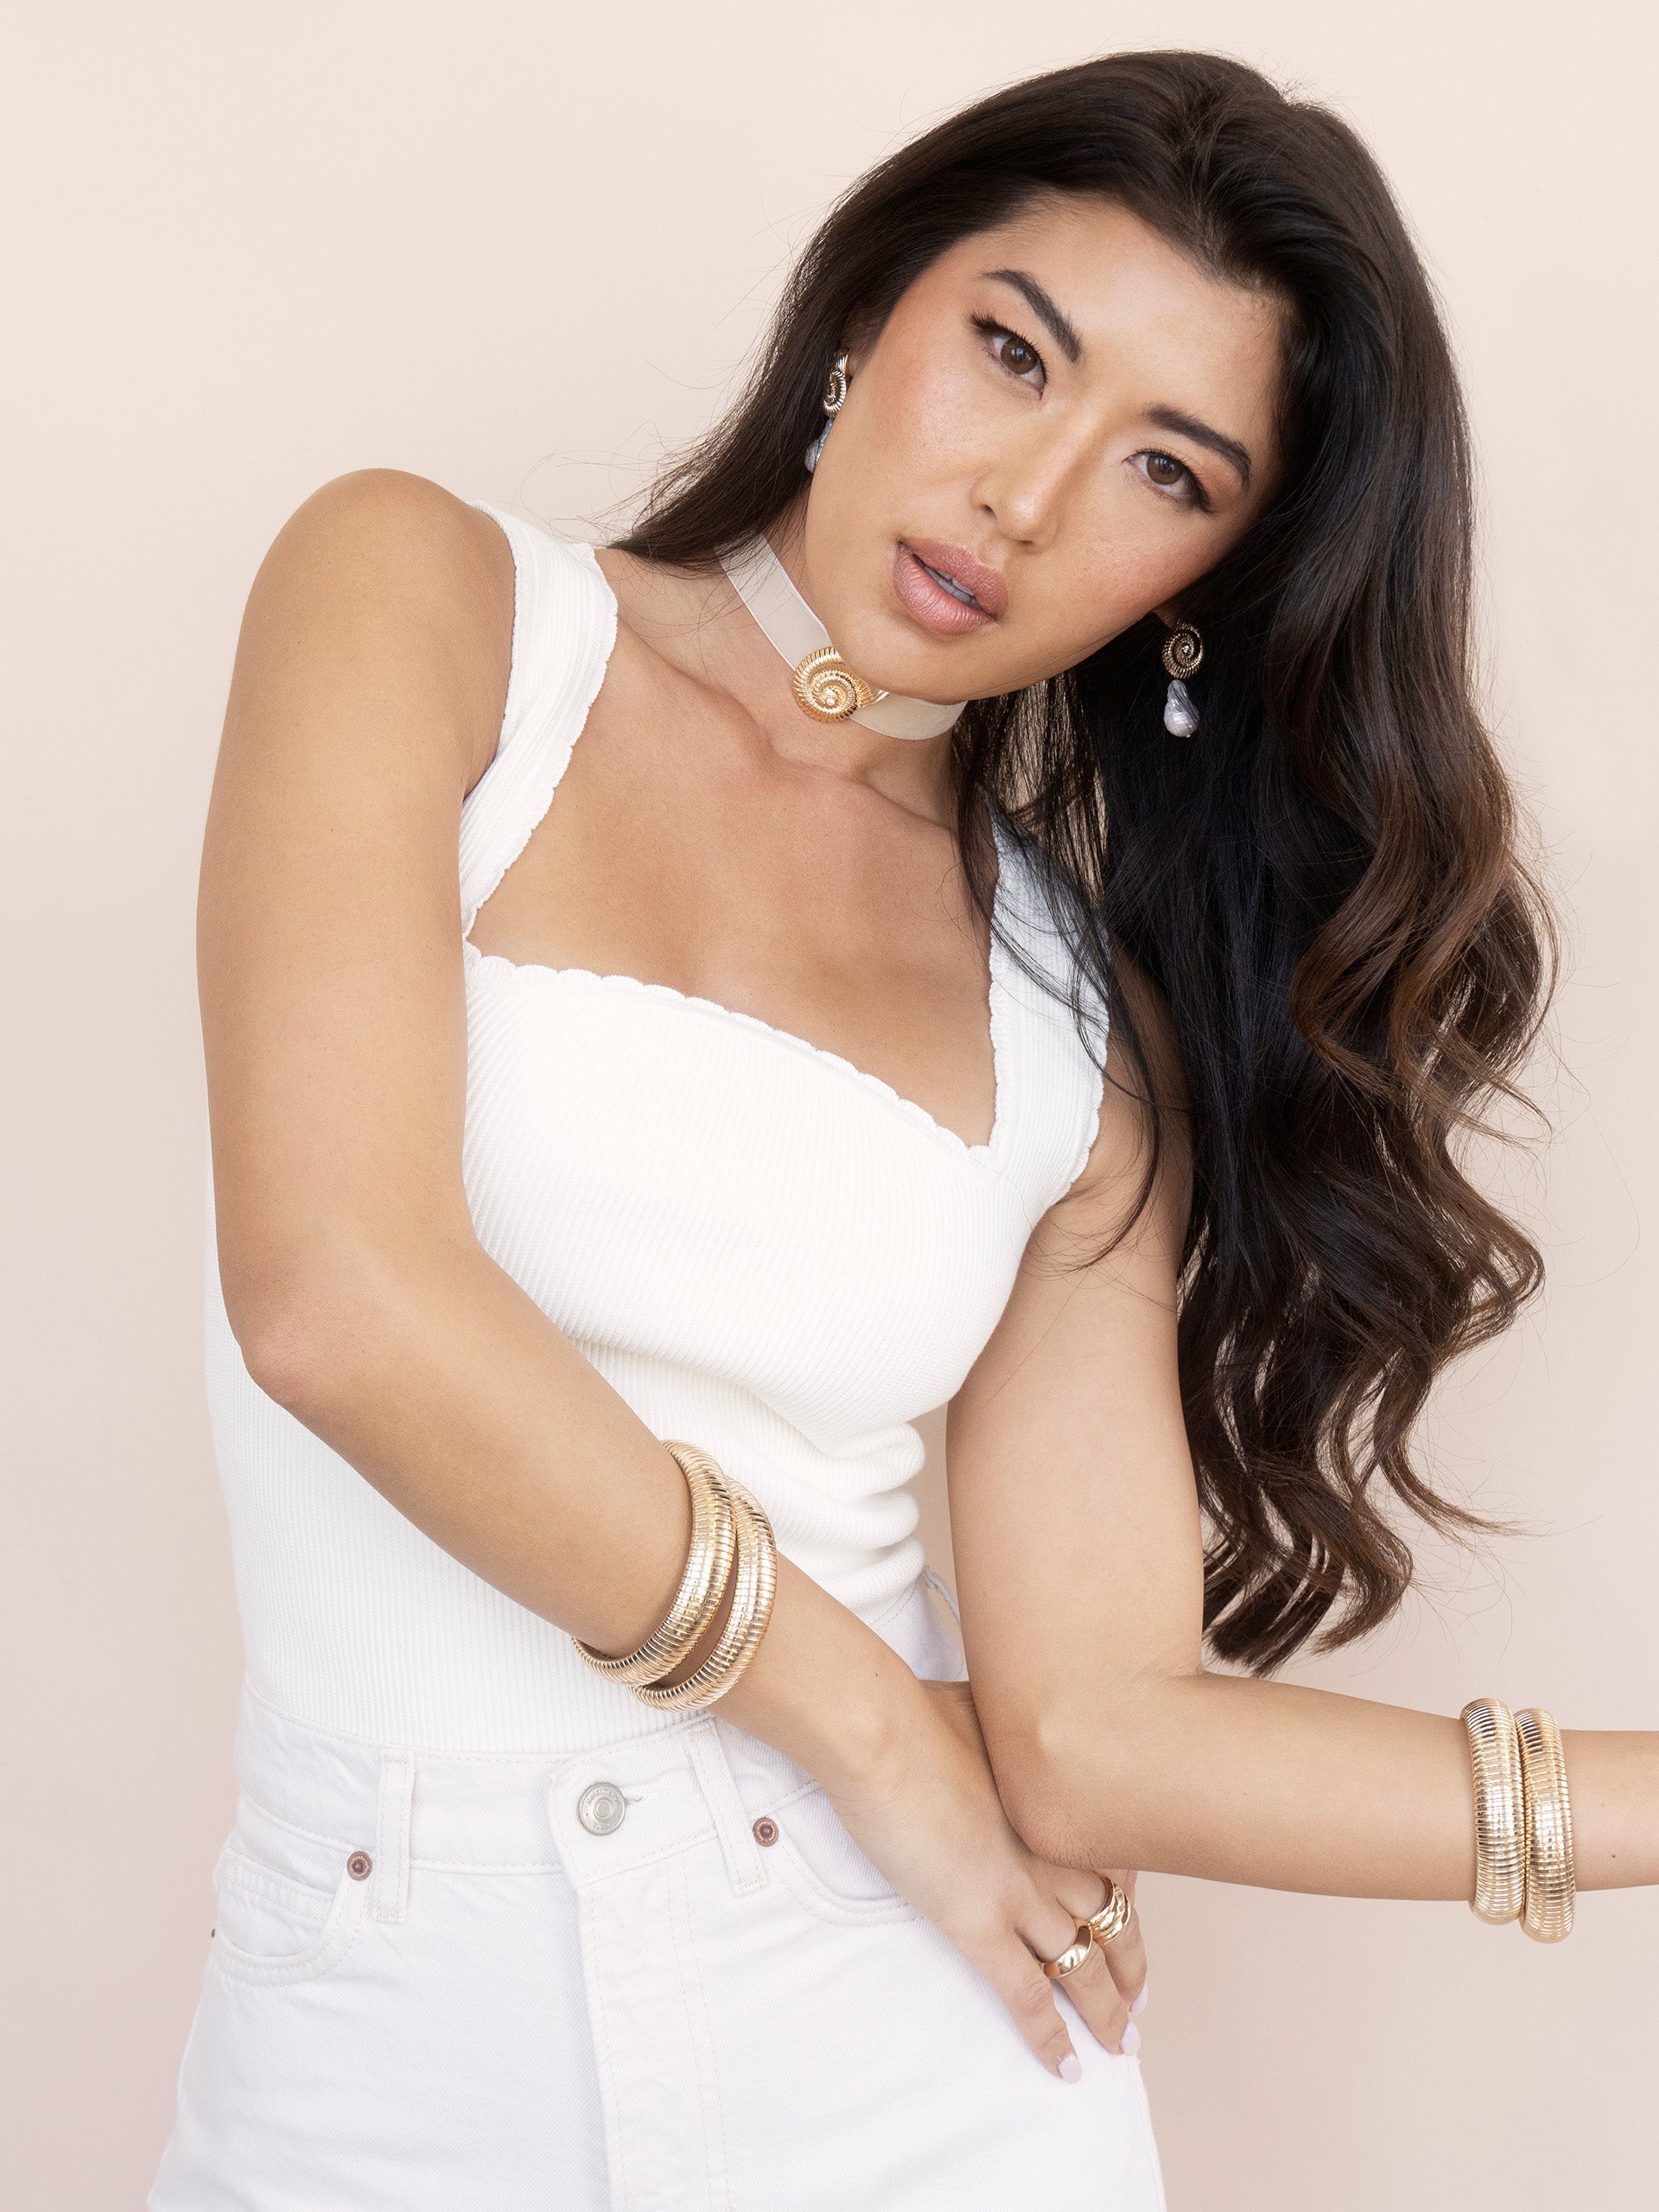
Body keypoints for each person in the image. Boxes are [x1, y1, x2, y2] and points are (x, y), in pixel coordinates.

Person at [150, 48, 1656, 2212]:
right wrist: (867, 1721)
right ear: (870, 311)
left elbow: (1097, 1726)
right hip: (394, 2017)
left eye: (1167, 466)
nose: (1025, 495)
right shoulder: (432, 605)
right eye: (1012, 350)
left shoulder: (1081, 1026)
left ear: (1209, 576)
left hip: (914, 2048)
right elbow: (337, 1301)